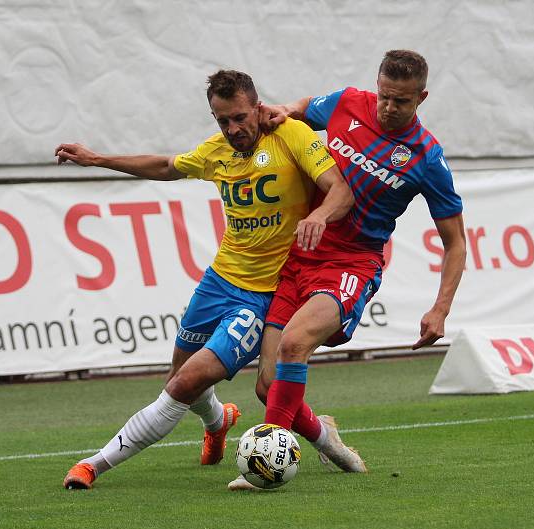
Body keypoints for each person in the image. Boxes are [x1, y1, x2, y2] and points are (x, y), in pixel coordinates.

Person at [56, 69, 354, 490]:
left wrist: (319, 216)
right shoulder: (217, 151)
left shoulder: (291, 136)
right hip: (218, 281)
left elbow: (339, 188)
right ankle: (218, 422)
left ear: (257, 107)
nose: (233, 129)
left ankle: (93, 464)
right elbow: (164, 165)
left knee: (194, 382)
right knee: (180, 377)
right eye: (222, 121)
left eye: (239, 118)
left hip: (264, 294)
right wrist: (98, 159)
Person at [229, 50, 467, 490]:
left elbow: (455, 242)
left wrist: (441, 308)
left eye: (401, 101)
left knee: (294, 344)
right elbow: (305, 109)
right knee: (268, 387)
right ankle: (329, 441)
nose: (389, 108)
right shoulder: (347, 103)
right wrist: (285, 110)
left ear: (422, 98)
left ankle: (265, 465)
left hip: (352, 263)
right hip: (300, 255)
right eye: (384, 96)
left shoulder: (427, 158)